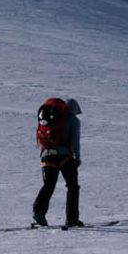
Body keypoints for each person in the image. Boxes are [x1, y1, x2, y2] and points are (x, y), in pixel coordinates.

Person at [32, 96, 83, 229]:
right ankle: (72, 219)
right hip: (65, 157)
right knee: (72, 186)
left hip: (47, 156)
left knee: (48, 185)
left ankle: (39, 215)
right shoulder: (73, 120)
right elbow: (75, 141)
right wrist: (77, 158)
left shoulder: (50, 118)